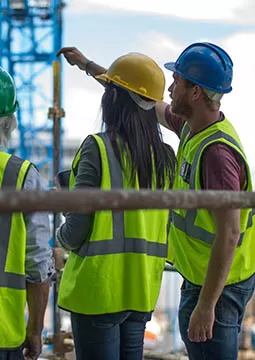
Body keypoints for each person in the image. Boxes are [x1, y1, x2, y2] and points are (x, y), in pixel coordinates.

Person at [57, 42, 255, 359]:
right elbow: (141, 98)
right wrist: (89, 66)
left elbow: (230, 233)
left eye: (177, 82)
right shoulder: (193, 128)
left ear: (196, 93)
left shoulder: (217, 154)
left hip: (221, 284)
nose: (169, 90)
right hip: (194, 277)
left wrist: (207, 305)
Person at [56, 52, 176, 360]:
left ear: (113, 100)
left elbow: (76, 230)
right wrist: (87, 66)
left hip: (98, 291)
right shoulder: (164, 157)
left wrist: (60, 237)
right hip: (141, 289)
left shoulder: (97, 147)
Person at [0, 67, 54, 360]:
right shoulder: (20, 175)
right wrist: (35, 331)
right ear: (11, 121)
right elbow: (36, 262)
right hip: (3, 330)